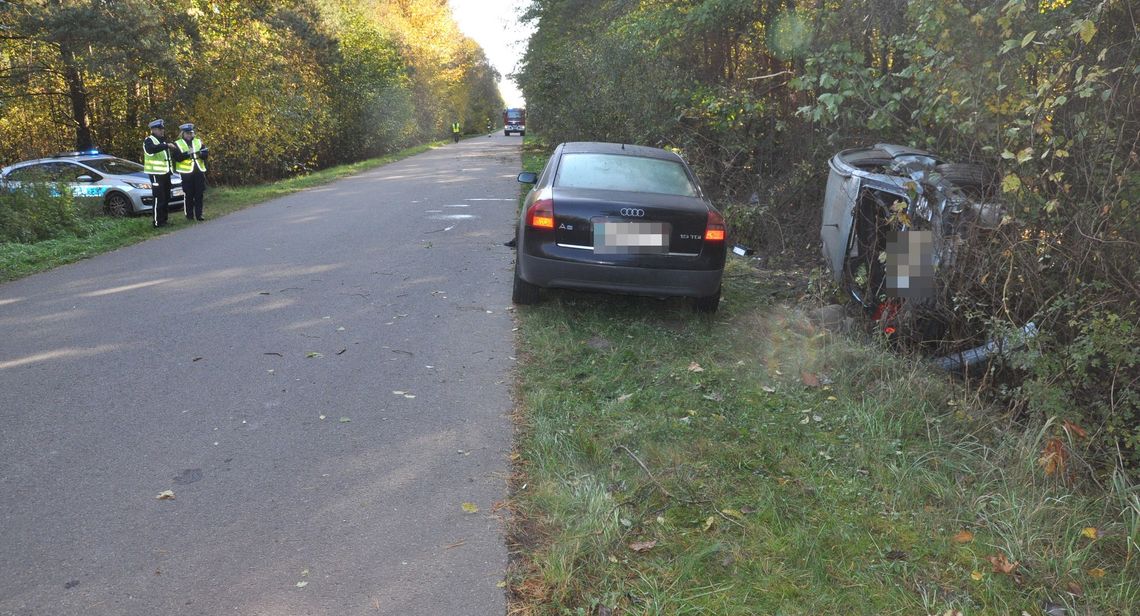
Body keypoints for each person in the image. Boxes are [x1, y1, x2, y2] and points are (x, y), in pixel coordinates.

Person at [142, 119, 179, 227]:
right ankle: (157, 222)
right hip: (155, 174)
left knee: (166, 197)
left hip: (165, 173)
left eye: (162, 129)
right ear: (153, 130)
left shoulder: (162, 140)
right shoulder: (149, 140)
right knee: (159, 198)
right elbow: (151, 150)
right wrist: (166, 145)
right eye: (159, 129)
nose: (162, 131)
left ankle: (164, 220)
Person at [173, 123, 208, 221]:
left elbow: (206, 154)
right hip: (186, 173)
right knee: (188, 194)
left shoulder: (198, 141)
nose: (189, 135)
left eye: (191, 133)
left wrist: (200, 153)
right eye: (187, 133)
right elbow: (177, 157)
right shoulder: (177, 143)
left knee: (199, 194)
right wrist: (188, 153)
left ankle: (199, 215)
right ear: (183, 134)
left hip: (199, 171)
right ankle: (189, 216)